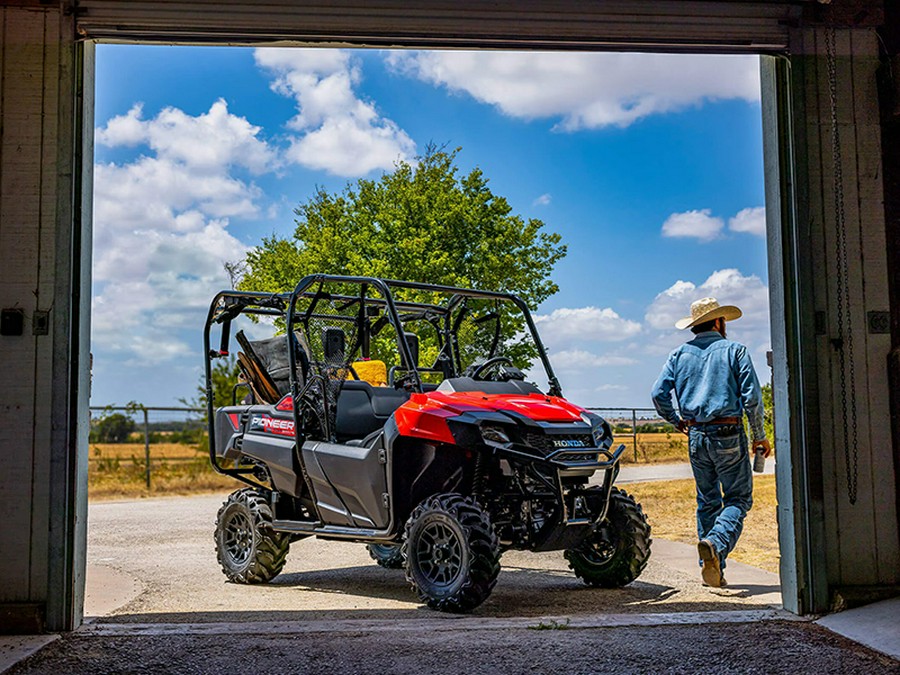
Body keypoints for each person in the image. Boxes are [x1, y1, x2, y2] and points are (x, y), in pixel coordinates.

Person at [650, 297, 771, 588]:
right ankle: (715, 544)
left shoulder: (679, 354)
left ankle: (711, 566)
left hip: (695, 435)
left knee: (707, 502)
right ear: (719, 321)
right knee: (739, 499)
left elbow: (658, 394)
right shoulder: (735, 351)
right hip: (728, 432)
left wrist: (677, 421)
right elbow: (752, 398)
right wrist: (759, 435)